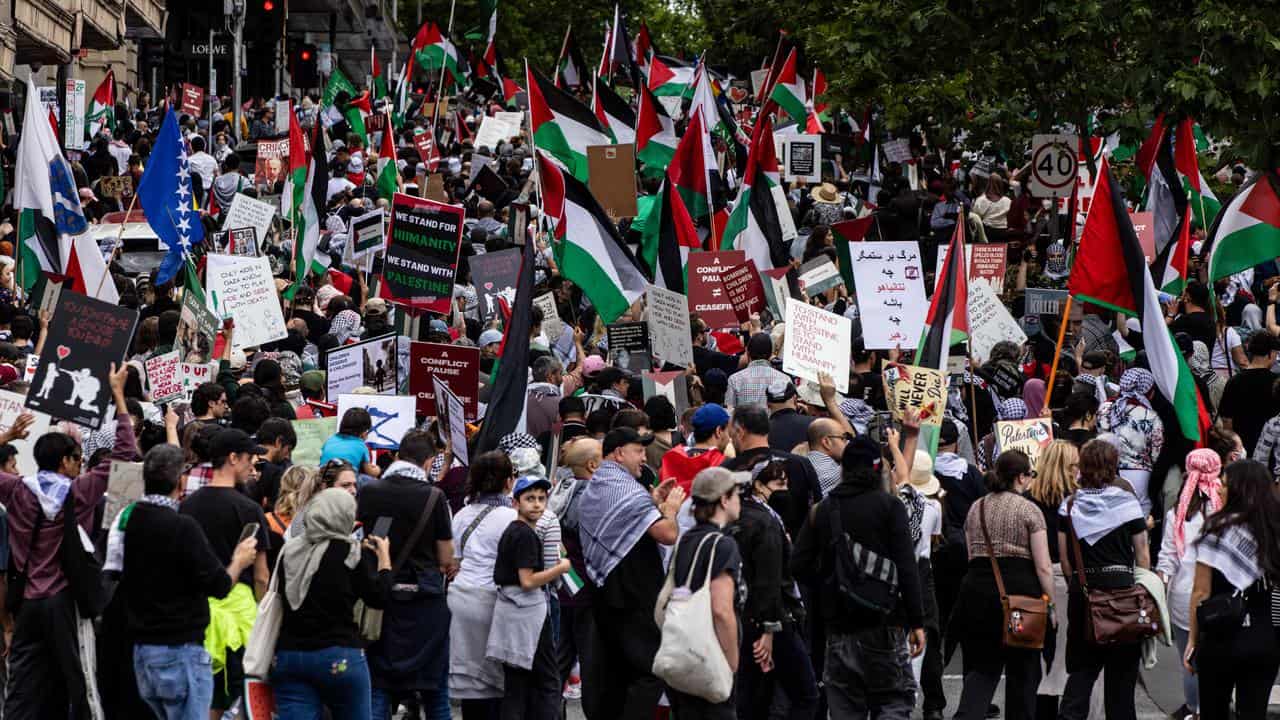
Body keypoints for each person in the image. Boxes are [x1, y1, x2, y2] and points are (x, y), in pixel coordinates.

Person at [1, 364, 131, 718]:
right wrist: (118, 396)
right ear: (64, 461)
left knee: (23, 683)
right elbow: (125, 453)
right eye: (77, 459)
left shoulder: (16, 490)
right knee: (82, 679)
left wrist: (8, 436)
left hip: (26, 599)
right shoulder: (81, 491)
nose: (81, 464)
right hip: (64, 600)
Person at [116, 443, 259, 720]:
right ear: (180, 479)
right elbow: (219, 586)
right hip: (180, 652)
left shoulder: (132, 520)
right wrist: (239, 561)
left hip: (144, 652)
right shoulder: (181, 526)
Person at [792, 432, 926, 719]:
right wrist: (917, 621)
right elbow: (907, 567)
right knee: (893, 701)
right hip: (886, 623)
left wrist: (830, 579)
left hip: (839, 628)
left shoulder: (823, 510)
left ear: (845, 468)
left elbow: (799, 564)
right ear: (879, 469)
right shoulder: (890, 507)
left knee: (845, 707)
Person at [576, 427, 686, 720]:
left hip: (606, 594)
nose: (643, 457)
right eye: (638, 451)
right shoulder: (626, 490)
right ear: (618, 453)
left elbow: (625, 522)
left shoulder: (600, 483)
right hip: (634, 594)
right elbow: (667, 534)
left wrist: (652, 502)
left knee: (618, 673)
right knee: (650, 669)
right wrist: (670, 510)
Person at [356, 430, 454, 720]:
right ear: (428, 461)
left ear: (398, 456)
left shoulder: (369, 490)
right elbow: (445, 556)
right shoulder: (434, 496)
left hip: (381, 596)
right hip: (425, 599)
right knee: (435, 691)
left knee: (379, 686)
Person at [950, 450, 1055, 720]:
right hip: (1022, 596)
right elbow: (1043, 565)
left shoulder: (977, 507)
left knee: (981, 670)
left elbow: (971, 553)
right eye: (1030, 474)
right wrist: (1050, 603)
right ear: (1021, 477)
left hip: (976, 591)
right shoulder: (1030, 510)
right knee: (1023, 672)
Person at [272, 488, 393, 719]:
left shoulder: (289, 550)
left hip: (290, 656)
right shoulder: (350, 551)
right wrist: (383, 558)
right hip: (339, 655)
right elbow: (379, 597)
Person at [179, 428, 272, 718]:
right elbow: (261, 575)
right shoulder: (249, 509)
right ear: (233, 458)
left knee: (204, 698)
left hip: (196, 619)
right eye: (248, 460)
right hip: (241, 620)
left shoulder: (187, 505)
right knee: (243, 699)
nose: (251, 467)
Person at [1057, 440, 1150, 720]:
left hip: (1085, 595)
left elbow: (1064, 560)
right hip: (1123, 594)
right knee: (1122, 687)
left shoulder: (1070, 506)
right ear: (1113, 466)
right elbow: (1143, 554)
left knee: (1081, 674)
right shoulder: (1128, 503)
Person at [1184, 460, 1280, 720]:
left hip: (1219, 636)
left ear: (1239, 489)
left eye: (1224, 485)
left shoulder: (1216, 529)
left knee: (1214, 712)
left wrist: (1193, 640)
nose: (1219, 489)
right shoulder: (1273, 529)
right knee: (1253, 713)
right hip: (1264, 637)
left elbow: (1200, 592)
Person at [732, 461, 818, 720]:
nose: (786, 490)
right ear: (757, 485)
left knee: (755, 697)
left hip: (746, 619)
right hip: (774, 620)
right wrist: (770, 627)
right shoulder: (767, 522)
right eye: (779, 484)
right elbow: (769, 581)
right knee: (806, 695)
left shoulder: (740, 517)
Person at [662, 467, 745, 719]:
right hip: (710, 658)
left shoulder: (687, 540)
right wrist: (731, 664)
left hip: (684, 657)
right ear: (723, 500)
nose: (739, 500)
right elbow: (721, 610)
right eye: (736, 495)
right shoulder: (723, 545)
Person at [487, 475, 571, 720]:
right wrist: (561, 568)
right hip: (526, 612)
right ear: (516, 503)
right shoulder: (524, 535)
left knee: (518, 683)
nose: (536, 504)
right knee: (547, 679)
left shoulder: (516, 531)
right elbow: (527, 581)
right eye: (530, 499)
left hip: (513, 612)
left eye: (541, 499)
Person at [449, 451, 519, 720]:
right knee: (498, 680)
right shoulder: (512, 518)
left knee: (470, 679)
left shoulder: (462, 514)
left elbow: (454, 560)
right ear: (508, 481)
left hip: (462, 600)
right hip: (495, 601)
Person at [1157, 449, 1221, 720]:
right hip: (1221, 598)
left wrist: (1158, 594)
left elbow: (1167, 560)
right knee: (1218, 661)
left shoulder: (1178, 513)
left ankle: (1194, 710)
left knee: (1189, 661)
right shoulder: (1225, 511)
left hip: (1183, 598)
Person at [1023, 440, 1078, 717]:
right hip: (1062, 578)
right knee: (1063, 657)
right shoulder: (1075, 502)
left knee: (1038, 652)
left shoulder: (1029, 499)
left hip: (1033, 579)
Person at [721, 405, 820, 538]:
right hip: (797, 550)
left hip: (743, 551)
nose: (731, 438)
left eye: (731, 433)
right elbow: (817, 509)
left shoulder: (726, 471)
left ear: (740, 432)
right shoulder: (800, 464)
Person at [1096, 368, 1164, 514]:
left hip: (1106, 469)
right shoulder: (1150, 416)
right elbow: (1156, 452)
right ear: (1148, 390)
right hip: (1139, 474)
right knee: (1139, 512)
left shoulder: (1105, 408)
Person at [1216, 331, 1278, 454]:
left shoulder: (1234, 382)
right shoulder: (1276, 382)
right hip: (1271, 450)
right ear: (1270, 354)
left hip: (1243, 450)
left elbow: (1227, 422)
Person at [659, 403, 731, 494]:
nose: (729, 438)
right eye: (728, 431)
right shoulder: (725, 465)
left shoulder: (669, 460)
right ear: (719, 431)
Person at [726, 334, 789, 408]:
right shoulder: (785, 379)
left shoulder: (734, 379)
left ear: (748, 353)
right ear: (770, 354)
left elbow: (729, 411)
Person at [321, 407, 382, 479]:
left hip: (323, 479)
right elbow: (370, 472)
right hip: (344, 481)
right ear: (364, 431)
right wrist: (378, 470)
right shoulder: (361, 445)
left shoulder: (330, 440)